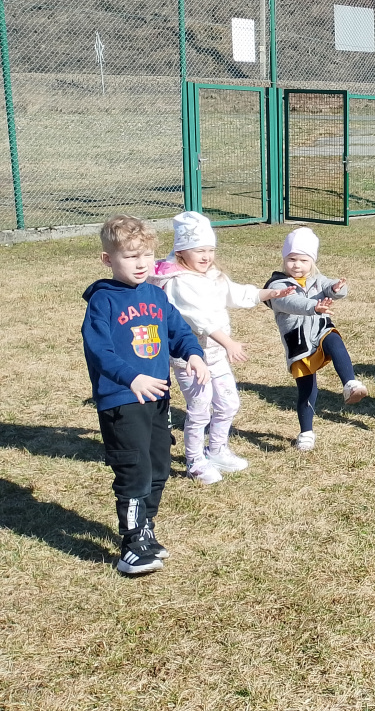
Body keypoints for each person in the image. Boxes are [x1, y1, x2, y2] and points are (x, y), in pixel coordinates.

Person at [82, 215, 209, 575]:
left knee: (159, 466)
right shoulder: (102, 301)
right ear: (108, 260)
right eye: (130, 256)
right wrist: (131, 378)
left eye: (147, 255)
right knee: (134, 469)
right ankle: (131, 544)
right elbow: (99, 351)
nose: (141, 264)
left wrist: (193, 354)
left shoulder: (156, 294)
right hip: (122, 400)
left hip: (158, 398)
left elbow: (178, 331)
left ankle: (147, 529)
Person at [150, 211, 294, 484]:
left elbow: (235, 292)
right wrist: (229, 343)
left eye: (210, 250)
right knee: (200, 407)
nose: (206, 256)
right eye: (199, 250)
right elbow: (199, 319)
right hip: (190, 358)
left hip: (215, 355)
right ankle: (195, 461)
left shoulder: (212, 274)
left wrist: (268, 293)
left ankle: (216, 449)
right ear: (181, 251)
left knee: (228, 403)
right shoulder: (179, 282)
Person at [265, 227, 368, 452]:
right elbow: (291, 303)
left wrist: (337, 288)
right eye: (292, 259)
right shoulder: (277, 286)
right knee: (307, 389)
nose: (297, 265)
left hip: (320, 330)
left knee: (333, 338)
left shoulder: (317, 280)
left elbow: (331, 287)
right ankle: (306, 432)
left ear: (312, 261)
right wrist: (314, 306)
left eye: (303, 260)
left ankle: (350, 384)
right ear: (284, 259)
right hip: (298, 343)